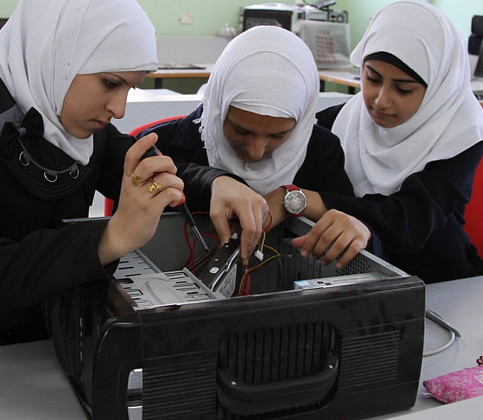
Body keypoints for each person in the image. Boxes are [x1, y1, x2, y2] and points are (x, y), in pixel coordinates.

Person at [0, 0, 266, 361]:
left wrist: (216, 183)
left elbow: (150, 168)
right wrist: (109, 237)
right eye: (110, 83)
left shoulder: (73, 122)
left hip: (49, 340)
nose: (120, 108)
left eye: (130, 88)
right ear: (59, 56)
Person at [139, 25, 372, 269]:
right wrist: (214, 181)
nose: (256, 151)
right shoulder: (164, 143)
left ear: (301, 121)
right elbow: (139, 182)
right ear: (220, 107)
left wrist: (353, 226)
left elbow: (344, 214)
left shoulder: (321, 151)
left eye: (279, 135)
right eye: (241, 130)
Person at [301, 0, 483, 283]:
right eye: (372, 78)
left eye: (403, 89)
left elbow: (408, 221)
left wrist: (304, 200)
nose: (380, 101)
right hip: (353, 276)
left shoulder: (461, 133)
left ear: (438, 87)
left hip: (438, 281)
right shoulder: (341, 120)